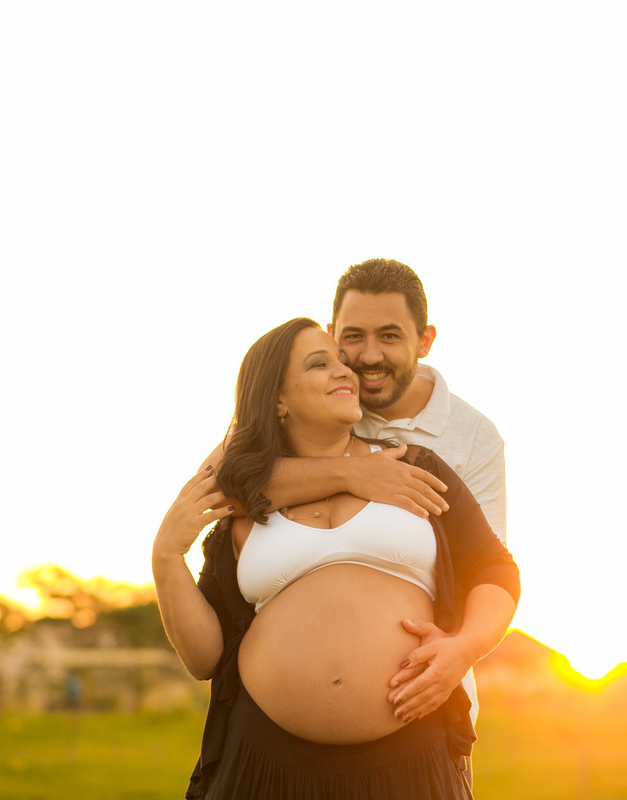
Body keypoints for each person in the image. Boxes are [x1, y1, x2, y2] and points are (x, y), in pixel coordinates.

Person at [154, 318, 520, 799]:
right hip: (264, 765)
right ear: (278, 400)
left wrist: (465, 646)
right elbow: (206, 658)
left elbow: (494, 570)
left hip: (409, 754)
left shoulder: (415, 468)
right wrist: (165, 556)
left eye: (341, 362)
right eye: (318, 363)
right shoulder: (245, 506)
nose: (345, 372)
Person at [198, 259, 507, 733]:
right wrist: (351, 475)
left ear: (424, 341)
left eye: (389, 336)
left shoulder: (472, 438)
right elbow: (225, 484)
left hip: (426, 704)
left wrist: (462, 649)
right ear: (331, 332)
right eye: (353, 337)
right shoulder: (319, 395)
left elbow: (481, 565)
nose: (366, 358)